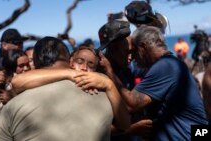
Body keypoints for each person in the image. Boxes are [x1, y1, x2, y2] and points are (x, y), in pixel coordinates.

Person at [75, 26, 208, 141]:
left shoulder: (165, 66)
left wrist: (109, 71)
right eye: (128, 52)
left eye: (133, 52)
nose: (132, 57)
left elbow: (132, 103)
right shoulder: (168, 63)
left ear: (143, 48)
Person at [0, 36, 130, 141]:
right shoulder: (100, 86)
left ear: (35, 62)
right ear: (70, 60)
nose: (83, 68)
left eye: (90, 64)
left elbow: (17, 82)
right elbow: (125, 124)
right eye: (80, 61)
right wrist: (109, 84)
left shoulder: (13, 107)